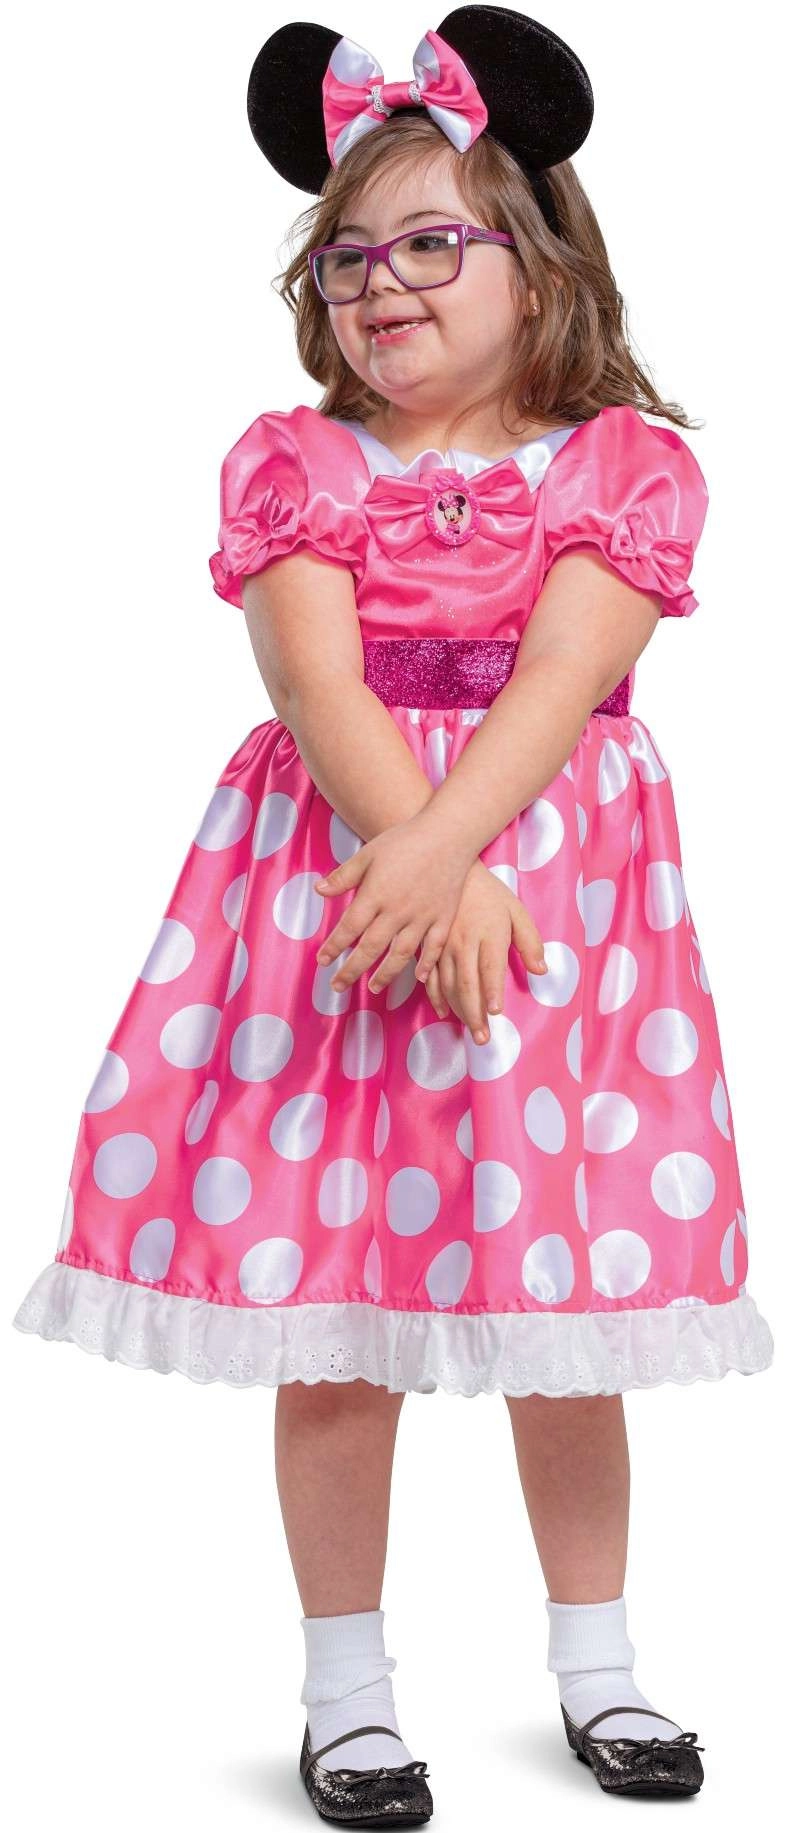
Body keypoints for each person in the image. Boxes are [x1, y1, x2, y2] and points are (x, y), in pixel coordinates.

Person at [13, 7, 775, 1821]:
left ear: (540, 259)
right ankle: (345, 1693)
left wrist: (455, 855)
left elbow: (567, 671)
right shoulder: (297, 460)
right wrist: (417, 863)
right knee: (339, 1318)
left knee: (557, 1315)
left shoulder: (621, 465)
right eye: (347, 257)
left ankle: (598, 1667)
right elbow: (312, 675)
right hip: (346, 906)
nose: (382, 285)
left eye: (430, 243)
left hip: (546, 911)